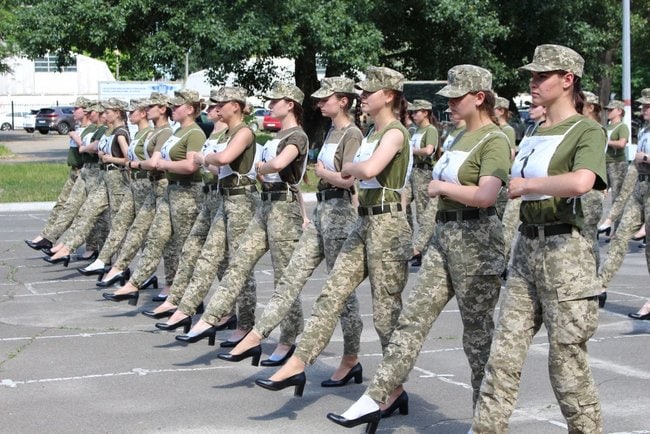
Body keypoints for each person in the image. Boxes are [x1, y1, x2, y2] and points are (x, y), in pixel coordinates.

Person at [326, 65, 509, 433]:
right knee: (412, 321)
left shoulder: (495, 139)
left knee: (477, 340)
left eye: (457, 98)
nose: (450, 104)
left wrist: (442, 189)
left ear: (479, 98)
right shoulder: (457, 137)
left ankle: (487, 423)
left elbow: (487, 195)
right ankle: (377, 396)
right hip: (444, 237)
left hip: (477, 242)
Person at [253, 66, 412, 397]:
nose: (362, 96)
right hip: (364, 220)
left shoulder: (395, 133)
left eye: (369, 92)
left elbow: (365, 170)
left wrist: (346, 168)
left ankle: (393, 389)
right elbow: (355, 173)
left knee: (386, 316)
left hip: (387, 225)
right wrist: (347, 170)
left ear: (389, 96)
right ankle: (299, 362)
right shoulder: (372, 134)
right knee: (331, 294)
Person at [472, 44, 606, 433]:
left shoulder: (586, 129)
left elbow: (582, 182)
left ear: (568, 80)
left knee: (566, 362)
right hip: (527, 246)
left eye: (542, 76)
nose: (533, 82)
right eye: (532, 76)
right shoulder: (535, 130)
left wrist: (529, 185)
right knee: (503, 355)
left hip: (565, 252)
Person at [218, 77, 365, 385]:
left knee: (341, 293)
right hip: (323, 208)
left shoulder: (352, 133)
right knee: (290, 277)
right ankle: (257, 335)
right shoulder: (331, 131)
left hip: (340, 213)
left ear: (343, 101)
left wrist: (323, 173)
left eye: (326, 99)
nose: (320, 103)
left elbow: (349, 179)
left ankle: (350, 358)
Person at [175, 82, 309, 364]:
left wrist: (261, 168)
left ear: (290, 104)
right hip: (266, 204)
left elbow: (278, 166)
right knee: (239, 263)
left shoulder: (297, 135)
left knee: (284, 278)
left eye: (276, 101)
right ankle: (211, 318)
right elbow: (259, 172)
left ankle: (287, 340)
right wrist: (260, 171)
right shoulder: (276, 135)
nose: (270, 105)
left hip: (283, 209)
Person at [146, 87, 260, 340]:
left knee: (239, 264)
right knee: (205, 254)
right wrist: (208, 159)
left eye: (221, 104)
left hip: (241, 200)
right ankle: (186, 309)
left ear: (236, 106)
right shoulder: (226, 132)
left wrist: (203, 157)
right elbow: (216, 166)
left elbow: (223, 159)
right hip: (222, 196)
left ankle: (244, 323)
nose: (216, 108)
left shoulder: (244, 131)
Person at [102, 89, 206, 305]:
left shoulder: (195, 133)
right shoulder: (178, 132)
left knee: (185, 247)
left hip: (187, 193)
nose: (173, 109)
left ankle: (185, 298)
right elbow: (156, 160)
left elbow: (190, 165)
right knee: (155, 238)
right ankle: (134, 283)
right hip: (171, 190)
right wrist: (157, 164)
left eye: (177, 106)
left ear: (190, 109)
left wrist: (162, 165)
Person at [82, 93, 174, 290]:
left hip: (154, 185)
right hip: (140, 183)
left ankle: (164, 282)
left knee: (159, 238)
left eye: (148, 108)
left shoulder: (162, 132)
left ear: (162, 109)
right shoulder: (148, 133)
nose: (132, 114)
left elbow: (148, 162)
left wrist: (132, 164)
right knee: (130, 227)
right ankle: (112, 265)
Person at [44, 98, 131, 266]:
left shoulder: (121, 133)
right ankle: (67, 247)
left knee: (116, 222)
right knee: (88, 211)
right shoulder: (110, 132)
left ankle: (118, 265)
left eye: (107, 112)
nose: (104, 115)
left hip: (117, 179)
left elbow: (128, 160)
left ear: (117, 113)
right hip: (105, 177)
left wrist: (110, 158)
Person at [25, 98, 103, 254]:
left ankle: (88, 247)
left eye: (77, 108)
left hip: (87, 171)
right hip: (76, 171)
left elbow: (90, 149)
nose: (74, 111)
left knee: (85, 211)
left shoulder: (93, 129)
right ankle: (47, 237)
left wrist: (76, 138)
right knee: (63, 205)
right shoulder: (80, 128)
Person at [600, 91, 650, 317]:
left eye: (647, 106)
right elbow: (636, 161)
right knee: (620, 237)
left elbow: (640, 157)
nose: (643, 110)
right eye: (643, 106)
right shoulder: (644, 129)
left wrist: (644, 158)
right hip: (641, 185)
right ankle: (600, 285)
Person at [404, 99, 439, 266]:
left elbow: (429, 150)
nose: (413, 115)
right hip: (413, 171)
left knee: (423, 213)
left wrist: (411, 150)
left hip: (424, 173)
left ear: (425, 113)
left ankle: (425, 250)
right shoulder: (416, 130)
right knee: (402, 205)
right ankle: (411, 244)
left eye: (416, 112)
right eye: (412, 112)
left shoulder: (430, 129)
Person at [604, 99, 630, 209]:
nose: (608, 112)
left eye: (611, 109)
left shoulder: (622, 127)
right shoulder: (606, 127)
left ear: (619, 111)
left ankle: (618, 219)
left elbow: (622, 143)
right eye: (608, 110)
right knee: (597, 193)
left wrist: (606, 142)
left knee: (618, 196)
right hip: (604, 163)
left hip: (617, 164)